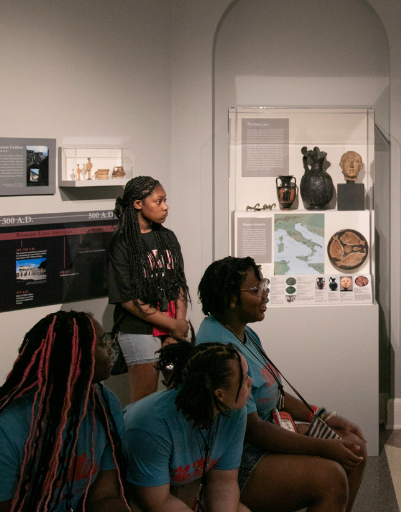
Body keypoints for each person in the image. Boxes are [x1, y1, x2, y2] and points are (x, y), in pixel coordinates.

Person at [196, 256, 367, 512]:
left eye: (263, 285)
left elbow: (275, 394)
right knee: (331, 478)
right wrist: (326, 447)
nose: (265, 295)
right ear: (231, 298)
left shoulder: (243, 331)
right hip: (236, 458)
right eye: (256, 290)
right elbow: (253, 430)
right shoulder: (221, 348)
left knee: (356, 449)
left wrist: (324, 416)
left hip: (267, 431)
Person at [0, 311, 129, 512]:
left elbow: (105, 496)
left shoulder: (105, 403)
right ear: (77, 358)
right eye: (102, 344)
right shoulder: (3, 430)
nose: (110, 350)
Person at [123, 342, 250, 512]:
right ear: (219, 394)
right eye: (244, 379)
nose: (251, 382)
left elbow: (223, 481)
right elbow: (157, 502)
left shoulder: (234, 412)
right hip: (134, 493)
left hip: (183, 488)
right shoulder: (150, 424)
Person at [107, 175, 191, 403]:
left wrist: (179, 324)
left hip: (174, 326)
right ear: (138, 204)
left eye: (165, 201)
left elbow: (179, 284)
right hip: (139, 329)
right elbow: (127, 298)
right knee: (144, 400)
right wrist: (173, 325)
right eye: (159, 201)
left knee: (184, 394)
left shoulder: (168, 237)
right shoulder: (122, 244)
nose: (166, 207)